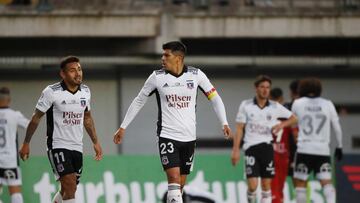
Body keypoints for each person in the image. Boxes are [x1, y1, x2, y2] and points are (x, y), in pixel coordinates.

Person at [113, 41, 231, 203]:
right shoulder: (157, 77)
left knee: (179, 187)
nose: (162, 58)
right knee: (173, 180)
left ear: (178, 58)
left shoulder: (196, 75)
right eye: (163, 54)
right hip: (167, 136)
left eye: (166, 55)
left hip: (189, 138)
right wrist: (123, 127)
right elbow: (139, 100)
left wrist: (224, 122)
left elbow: (215, 98)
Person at [19, 56, 103, 203]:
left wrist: (95, 142)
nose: (78, 73)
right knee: (70, 186)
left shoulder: (86, 91)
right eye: (72, 71)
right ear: (63, 74)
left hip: (77, 146)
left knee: (67, 189)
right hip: (57, 145)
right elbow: (36, 117)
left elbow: (87, 117)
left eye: (79, 69)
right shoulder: (51, 91)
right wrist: (26, 142)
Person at [231, 75, 297, 203]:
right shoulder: (246, 105)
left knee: (266, 186)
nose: (265, 90)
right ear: (256, 88)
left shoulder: (275, 106)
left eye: (267, 87)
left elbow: (294, 118)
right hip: (251, 148)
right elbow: (239, 128)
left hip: (267, 148)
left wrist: (282, 124)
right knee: (253, 186)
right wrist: (236, 150)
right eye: (262, 87)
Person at [291, 78, 342, 203]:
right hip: (322, 150)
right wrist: (339, 146)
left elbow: (293, 126)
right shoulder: (328, 104)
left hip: (304, 149)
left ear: (301, 89)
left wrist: (297, 141)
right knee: (326, 183)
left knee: (301, 184)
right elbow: (337, 127)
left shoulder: (297, 103)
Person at [0, 87, 29, 203]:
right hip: (10, 160)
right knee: (15, 193)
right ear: (9, 100)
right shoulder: (15, 115)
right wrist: (26, 143)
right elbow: (30, 126)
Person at [269, 87, 290, 203]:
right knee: (279, 189)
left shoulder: (266, 111)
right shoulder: (288, 114)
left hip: (270, 154)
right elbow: (294, 136)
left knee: (272, 188)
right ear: (282, 99)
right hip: (284, 155)